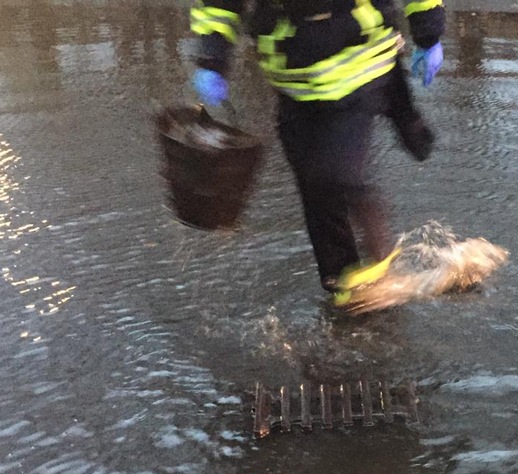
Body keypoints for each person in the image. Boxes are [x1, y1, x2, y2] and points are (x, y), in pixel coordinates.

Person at [188, 0, 445, 306]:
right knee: (313, 185)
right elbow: (219, 5)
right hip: (293, 84)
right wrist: (212, 60)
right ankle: (341, 281)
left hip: (360, 68)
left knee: (338, 173)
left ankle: (381, 257)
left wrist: (428, 35)